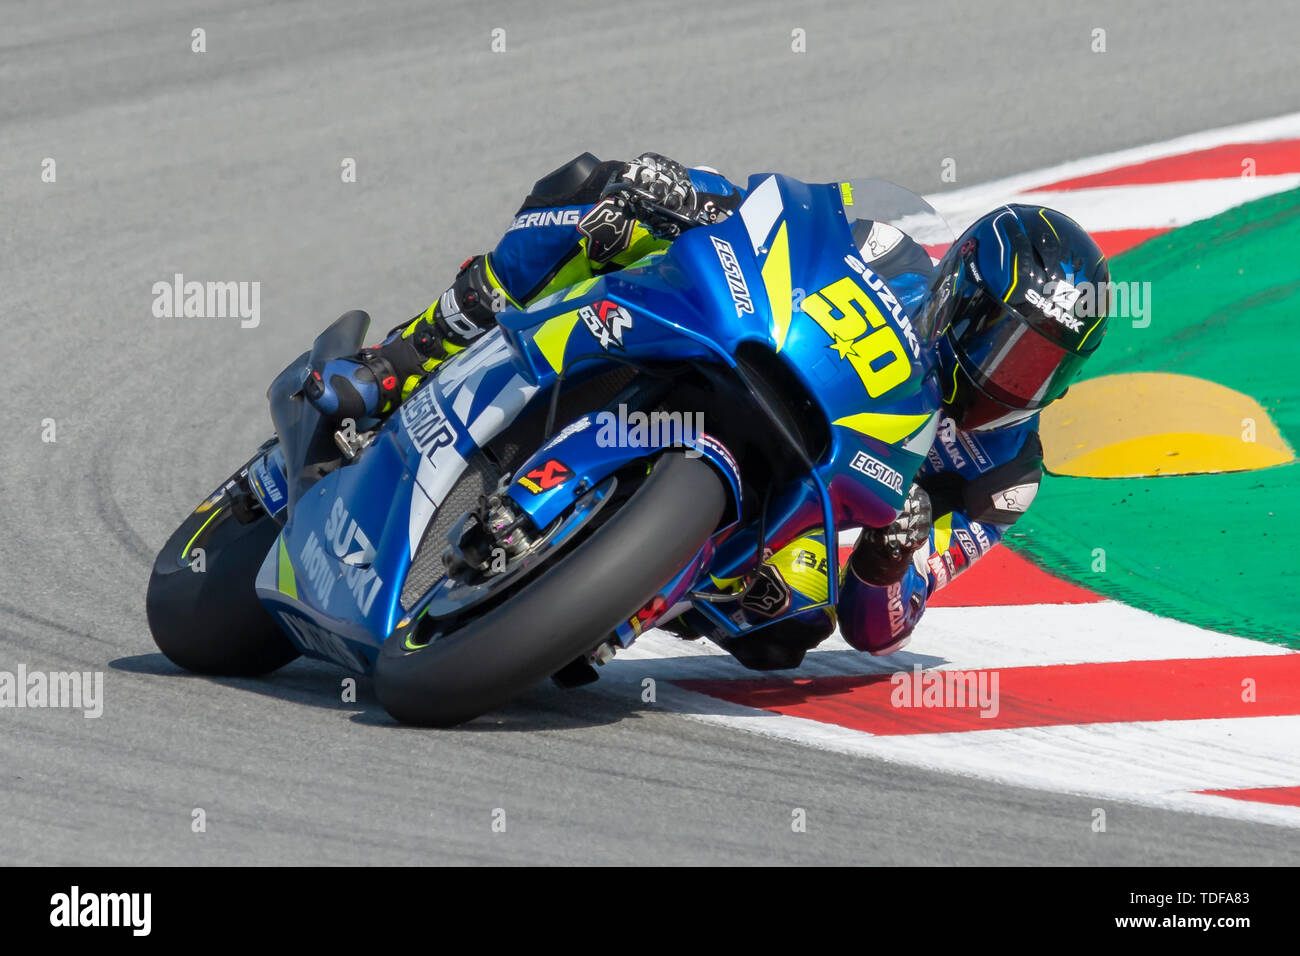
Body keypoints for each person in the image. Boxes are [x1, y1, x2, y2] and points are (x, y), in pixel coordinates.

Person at [304, 153, 1110, 668]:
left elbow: (883, 626)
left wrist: (890, 560)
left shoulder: (1007, 471)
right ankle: (401, 360)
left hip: (804, 508)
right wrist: (686, 191)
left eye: (1041, 366)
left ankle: (621, 599)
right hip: (749, 360)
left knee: (792, 619)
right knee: (601, 196)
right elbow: (778, 227)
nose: (1015, 381)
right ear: (964, 294)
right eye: (1009, 347)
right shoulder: (892, 257)